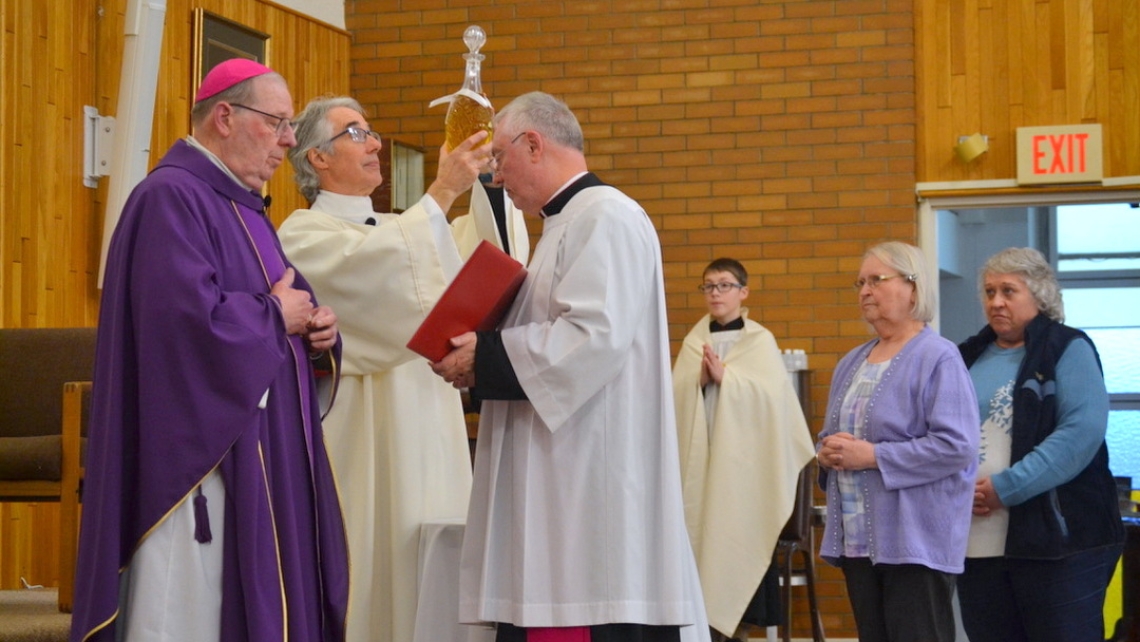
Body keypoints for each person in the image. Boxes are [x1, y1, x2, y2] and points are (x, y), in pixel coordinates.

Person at [69, 59, 349, 642]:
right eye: (276, 122)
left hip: (264, 456)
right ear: (225, 116)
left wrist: (317, 332)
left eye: (290, 124)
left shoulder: (243, 206)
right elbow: (180, 331)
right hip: (203, 469)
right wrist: (276, 316)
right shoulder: (171, 198)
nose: (289, 140)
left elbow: (287, 302)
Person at [430, 91, 710, 642]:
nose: (497, 177)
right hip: (562, 475)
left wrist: (484, 358)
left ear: (533, 144)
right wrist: (479, 354)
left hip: (588, 486)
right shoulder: (567, 224)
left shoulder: (606, 216)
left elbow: (591, 337)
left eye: (500, 159)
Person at [277, 95, 527, 642]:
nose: (375, 144)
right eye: (356, 133)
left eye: (371, 131)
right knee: (377, 569)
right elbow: (385, 275)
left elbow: (470, 255)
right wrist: (442, 190)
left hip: (430, 423)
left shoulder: (402, 227)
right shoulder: (299, 236)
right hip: (364, 439)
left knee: (436, 566)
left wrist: (484, 179)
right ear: (316, 158)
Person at [956, 247, 1123, 642]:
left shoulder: (1068, 348)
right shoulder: (965, 356)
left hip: (1062, 542)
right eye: (989, 291)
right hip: (977, 543)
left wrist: (1006, 488)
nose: (996, 302)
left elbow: (1080, 434)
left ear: (1040, 294)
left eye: (1008, 291)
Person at [816, 241, 978, 642]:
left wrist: (871, 456)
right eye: (860, 282)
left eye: (876, 280)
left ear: (912, 288)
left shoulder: (939, 357)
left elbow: (956, 446)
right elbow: (833, 434)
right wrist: (827, 451)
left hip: (914, 542)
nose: (864, 291)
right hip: (859, 541)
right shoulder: (851, 361)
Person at [672, 258, 815, 641]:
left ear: (743, 292)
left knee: (738, 544)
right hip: (702, 477)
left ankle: (738, 631)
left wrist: (728, 379)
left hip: (744, 478)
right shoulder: (692, 344)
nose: (715, 293)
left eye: (724, 285)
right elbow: (673, 404)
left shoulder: (760, 341)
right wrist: (697, 383)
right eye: (708, 286)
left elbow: (776, 407)